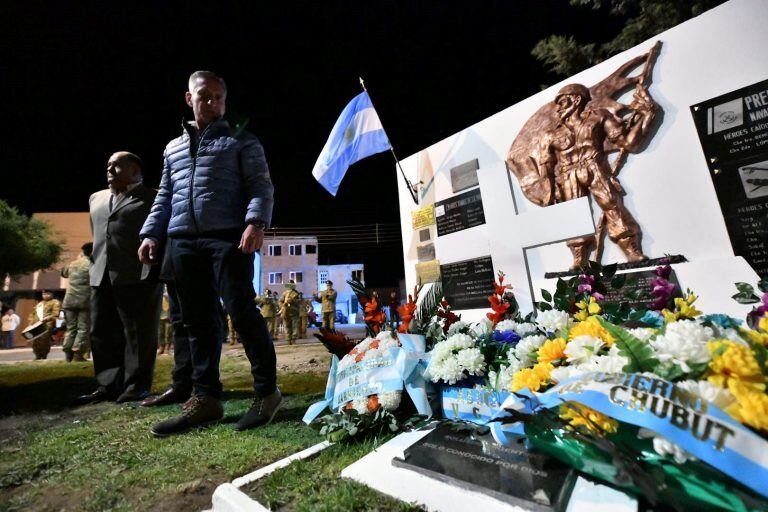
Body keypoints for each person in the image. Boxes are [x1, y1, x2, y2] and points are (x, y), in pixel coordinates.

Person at [139, 70, 279, 436]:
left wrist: (256, 223)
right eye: (205, 96)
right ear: (189, 98)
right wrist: (151, 233)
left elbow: (261, 186)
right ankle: (206, 399)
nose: (212, 103)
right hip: (182, 240)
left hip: (227, 238)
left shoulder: (241, 140)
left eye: (219, 97)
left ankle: (266, 392)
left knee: (241, 311)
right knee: (198, 322)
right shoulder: (172, 148)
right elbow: (164, 197)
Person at [74, 151, 162, 406]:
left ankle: (136, 386)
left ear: (135, 171)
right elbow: (100, 236)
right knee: (101, 331)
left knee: (138, 333)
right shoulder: (96, 198)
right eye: (108, 165)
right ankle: (108, 384)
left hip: (137, 274)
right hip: (100, 273)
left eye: (117, 165)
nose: (110, 169)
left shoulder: (153, 197)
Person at [538, 83, 656, 268]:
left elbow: (628, 142)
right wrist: (550, 191)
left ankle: (631, 250)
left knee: (612, 206)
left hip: (594, 167)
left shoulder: (599, 117)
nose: (558, 108)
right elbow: (546, 165)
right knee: (574, 216)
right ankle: (579, 258)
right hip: (568, 175)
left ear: (576, 100)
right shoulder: (550, 134)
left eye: (562, 102)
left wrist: (647, 115)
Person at [61, 242, 93, 362]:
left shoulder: (73, 264)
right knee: (83, 328)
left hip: (69, 300)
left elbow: (63, 273)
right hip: (84, 301)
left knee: (70, 328)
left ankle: (68, 354)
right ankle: (78, 354)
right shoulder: (92, 264)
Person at [26, 291, 60, 359]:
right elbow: (32, 314)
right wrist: (31, 323)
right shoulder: (40, 304)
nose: (45, 295)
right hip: (36, 325)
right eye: (43, 294)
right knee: (35, 341)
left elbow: (56, 314)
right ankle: (37, 355)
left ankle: (44, 356)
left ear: (51, 294)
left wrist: (47, 318)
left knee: (44, 341)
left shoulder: (55, 302)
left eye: (47, 294)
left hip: (47, 325)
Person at [157, 287, 172, 355]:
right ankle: (161, 347)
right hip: (161, 313)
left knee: (168, 332)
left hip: (168, 313)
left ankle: (167, 348)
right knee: (161, 332)